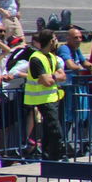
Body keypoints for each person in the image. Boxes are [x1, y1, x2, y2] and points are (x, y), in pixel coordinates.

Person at [25, 29, 68, 161]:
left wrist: (53, 76)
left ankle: (48, 156)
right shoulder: (36, 58)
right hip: (42, 99)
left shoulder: (51, 57)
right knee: (55, 128)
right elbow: (47, 81)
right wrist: (54, 77)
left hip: (54, 97)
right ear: (50, 41)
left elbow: (63, 76)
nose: (56, 42)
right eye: (55, 39)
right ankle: (58, 155)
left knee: (50, 129)